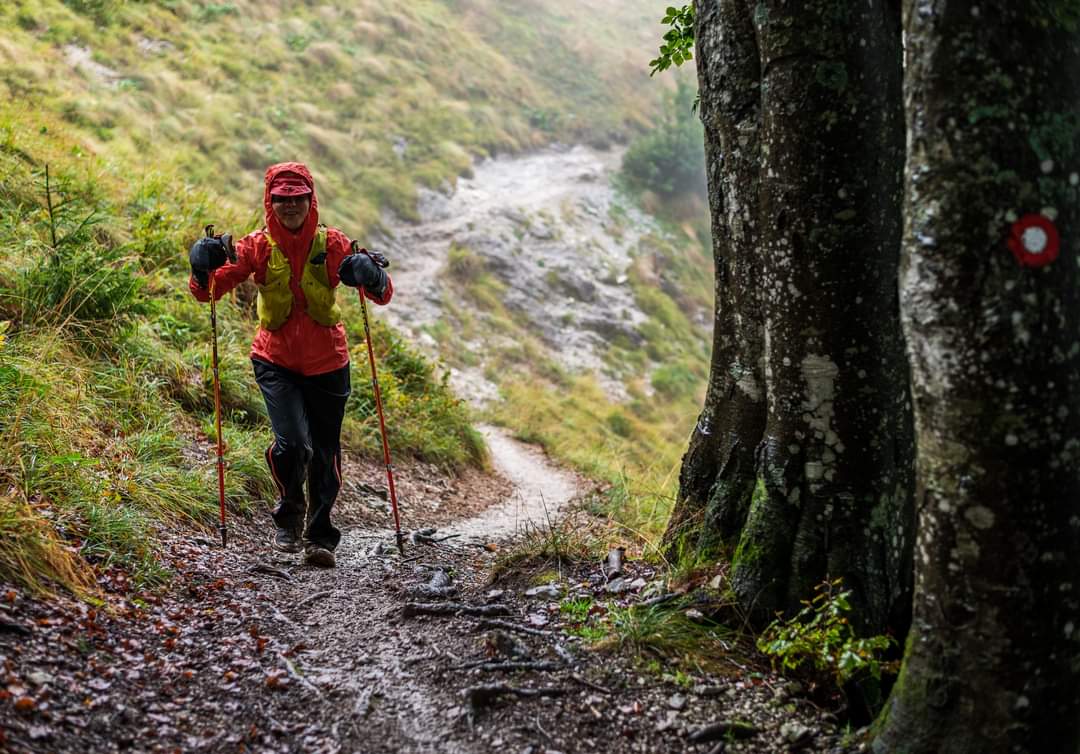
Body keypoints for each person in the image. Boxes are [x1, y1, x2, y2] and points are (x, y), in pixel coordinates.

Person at [187, 161, 392, 568]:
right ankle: (289, 514)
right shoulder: (255, 247)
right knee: (292, 443)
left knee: (325, 451)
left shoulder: (333, 244)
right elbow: (208, 292)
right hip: (274, 359)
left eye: (298, 198)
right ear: (271, 202)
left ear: (310, 199)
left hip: (328, 361)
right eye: (282, 200)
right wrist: (200, 266)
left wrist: (372, 276)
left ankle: (320, 537)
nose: (291, 206)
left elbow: (382, 294)